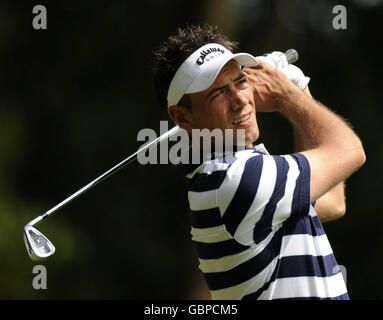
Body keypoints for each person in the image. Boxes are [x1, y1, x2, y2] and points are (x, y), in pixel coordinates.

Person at [152, 24, 365, 300]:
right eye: (217, 93)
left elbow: (333, 202)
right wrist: (288, 96)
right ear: (182, 117)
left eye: (240, 81)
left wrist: (297, 89)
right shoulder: (238, 179)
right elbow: (350, 149)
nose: (240, 99)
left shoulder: (229, 177)